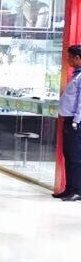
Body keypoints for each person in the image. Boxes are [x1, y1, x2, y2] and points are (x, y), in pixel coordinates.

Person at [54, 44, 81, 201]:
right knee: (68, 154)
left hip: (75, 122)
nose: (68, 60)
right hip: (68, 120)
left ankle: (77, 190)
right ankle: (69, 188)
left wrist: (76, 121)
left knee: (76, 156)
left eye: (70, 57)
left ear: (77, 58)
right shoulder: (76, 75)